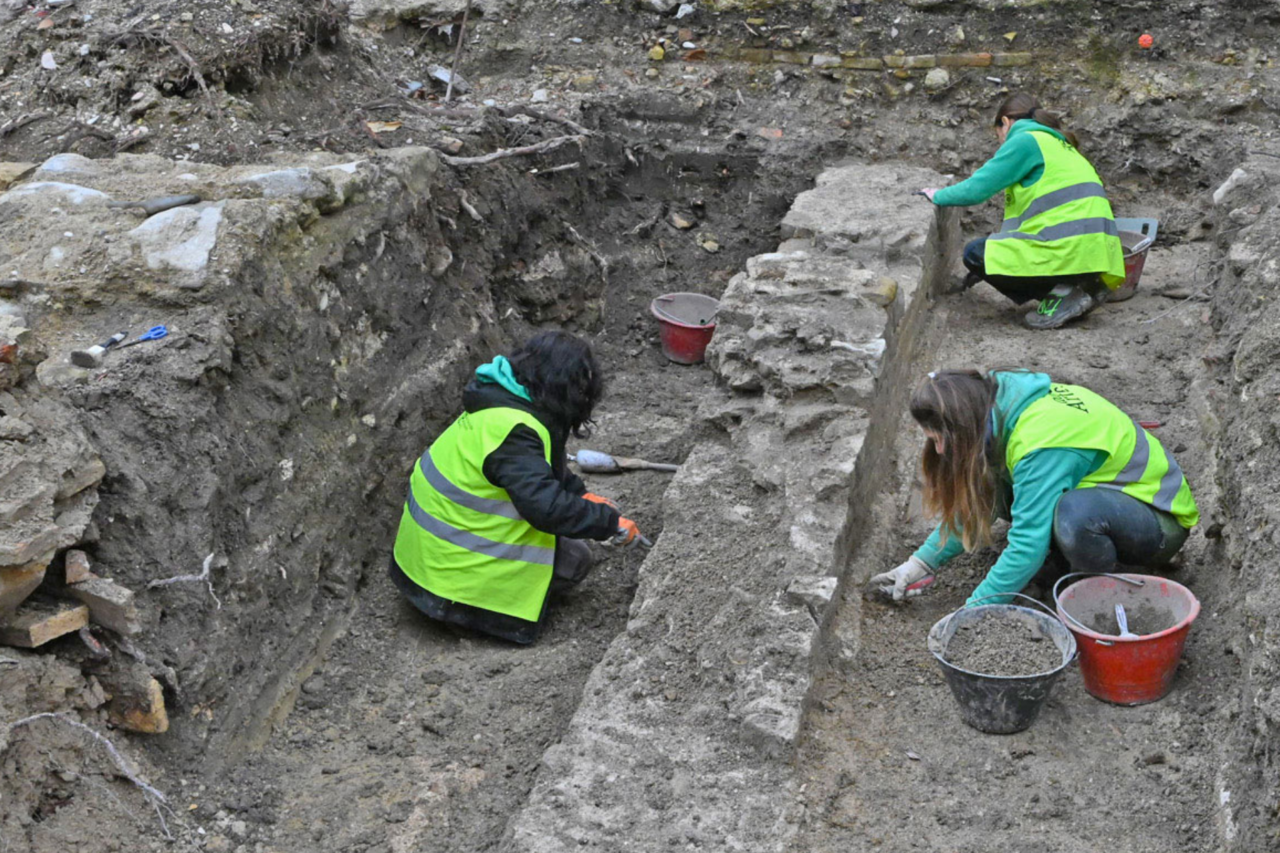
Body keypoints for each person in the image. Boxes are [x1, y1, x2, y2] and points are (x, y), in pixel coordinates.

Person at [389, 331, 643, 644]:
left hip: (425, 563)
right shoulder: (516, 434)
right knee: (575, 560)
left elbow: (541, 468)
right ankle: (477, 617)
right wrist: (607, 522)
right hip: (448, 583)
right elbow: (545, 508)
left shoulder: (501, 403)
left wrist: (579, 495)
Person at [871, 369, 1199, 605]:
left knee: (1074, 515)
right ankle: (1061, 563)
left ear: (964, 424)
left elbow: (1027, 545)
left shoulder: (1040, 444)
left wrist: (974, 610)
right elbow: (979, 501)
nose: (940, 450)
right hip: (1111, 502)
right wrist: (919, 564)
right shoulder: (1000, 409)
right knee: (998, 484)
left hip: (1157, 521)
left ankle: (1090, 598)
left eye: (940, 439)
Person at [918, 94, 1127, 330]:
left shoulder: (1025, 141)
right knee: (994, 250)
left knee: (976, 253)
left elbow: (976, 189)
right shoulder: (1060, 145)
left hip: (1070, 251)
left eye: (997, 134)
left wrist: (937, 195)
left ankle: (1065, 295)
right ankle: (1084, 287)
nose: (1000, 142)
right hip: (1096, 254)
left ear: (1005, 123)